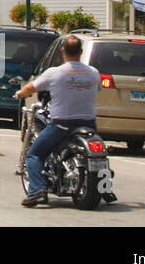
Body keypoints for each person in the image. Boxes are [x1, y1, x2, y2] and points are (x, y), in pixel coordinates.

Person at [13, 34, 115, 207]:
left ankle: (38, 190)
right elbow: (97, 88)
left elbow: (31, 87)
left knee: (34, 154)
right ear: (81, 52)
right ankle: (105, 189)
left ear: (63, 52)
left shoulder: (54, 73)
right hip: (88, 124)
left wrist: (19, 93)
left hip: (62, 125)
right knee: (99, 149)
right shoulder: (93, 73)